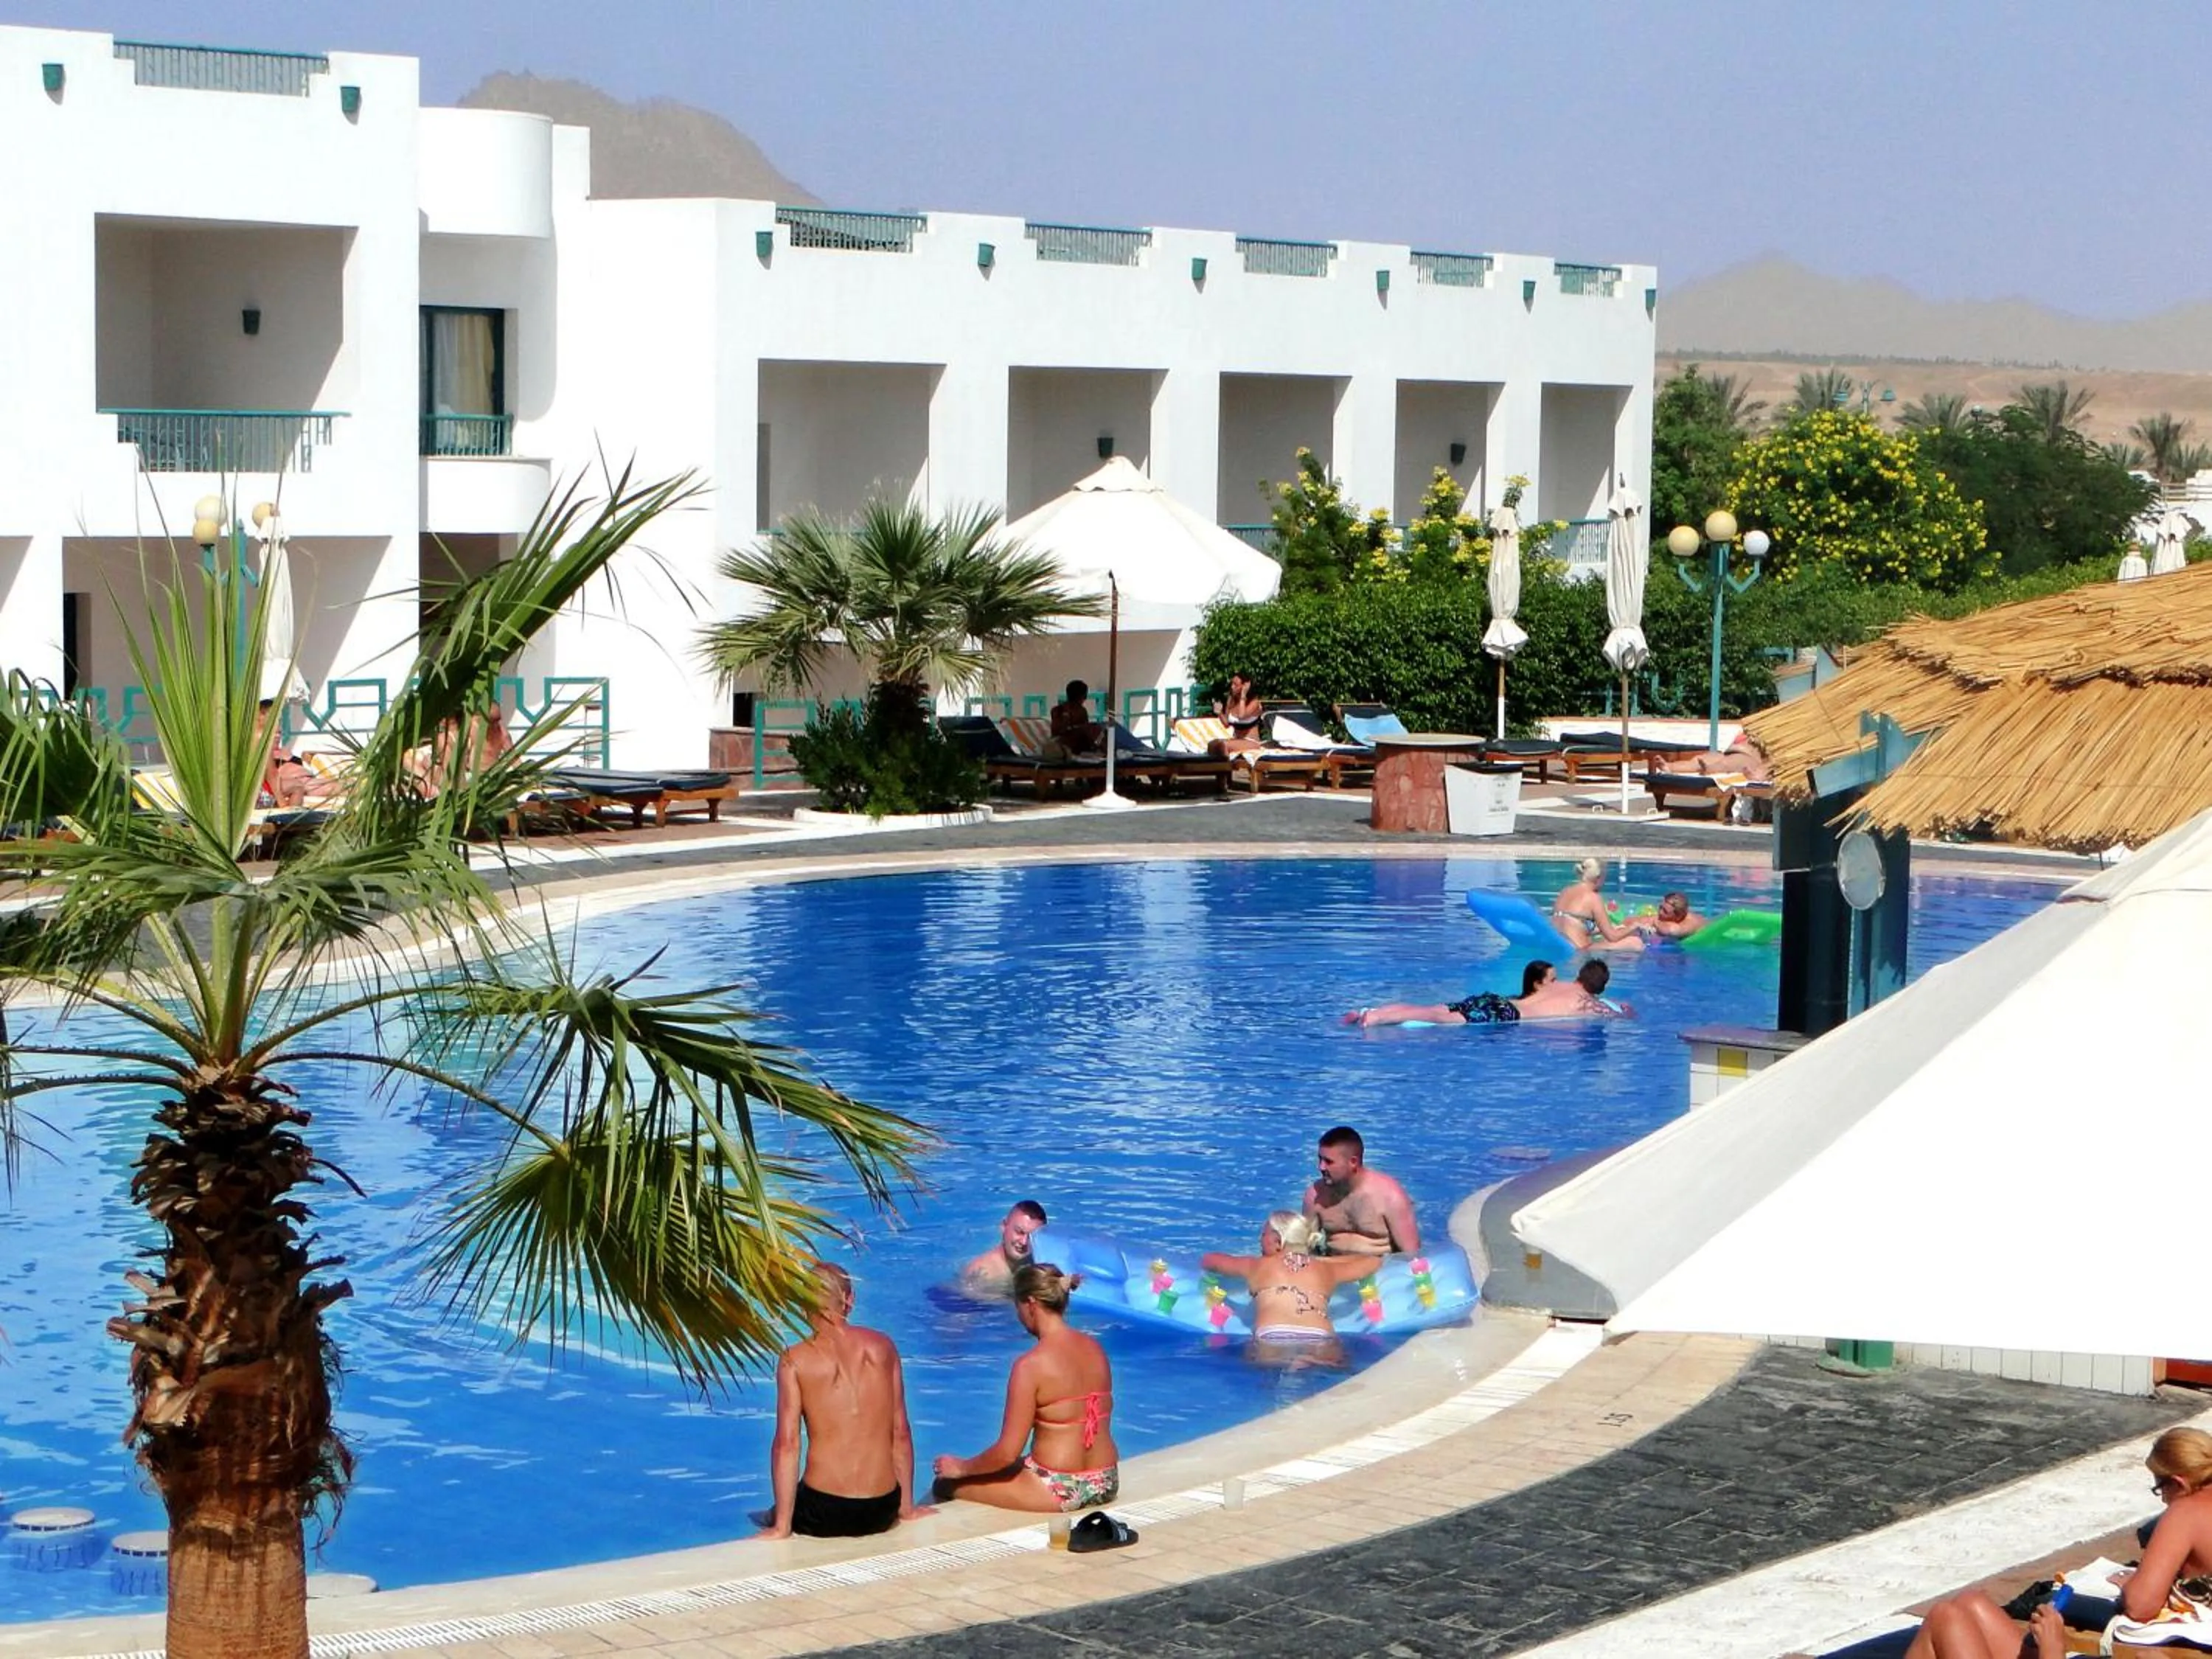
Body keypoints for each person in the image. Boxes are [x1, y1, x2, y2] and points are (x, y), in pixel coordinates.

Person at [1903, 1426, 2212, 1658]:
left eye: (2161, 1489)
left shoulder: (2187, 1510)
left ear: (2179, 1483)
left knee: (1946, 1617)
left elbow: (2141, 1606)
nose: (2163, 1501)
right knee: (1970, 1604)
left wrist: (2053, 1648)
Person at [757, 1263, 929, 1540]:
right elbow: (901, 1432)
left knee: (764, 1515)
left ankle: (776, 1521)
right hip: (883, 1508)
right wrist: (905, 1508)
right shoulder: (883, 1346)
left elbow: (788, 1445)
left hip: (825, 1510)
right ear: (850, 1300)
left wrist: (781, 1526)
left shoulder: (795, 1359)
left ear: (802, 1305)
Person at [933, 1263, 1119, 1512]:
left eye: (1017, 1306)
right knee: (1010, 1468)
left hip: (1059, 1489)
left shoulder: (1030, 1366)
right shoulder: (1096, 1350)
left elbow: (1007, 1453)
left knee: (944, 1485)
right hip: (1106, 1480)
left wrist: (960, 1468)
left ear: (1030, 1304)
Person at [1200, 1211, 1374, 1360]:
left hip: (1272, 1336)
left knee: (1260, 1374)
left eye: (1263, 1235)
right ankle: (1304, 1363)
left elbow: (1211, 1260)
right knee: (1338, 1367)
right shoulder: (1325, 1270)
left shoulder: (1257, 1266)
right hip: (1320, 1337)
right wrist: (1323, 1261)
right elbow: (1370, 1262)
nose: (1260, 1240)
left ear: (1277, 1242)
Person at [1348, 959, 1632, 1029]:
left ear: (1581, 975)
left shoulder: (1556, 983)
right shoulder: (1589, 1005)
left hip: (1498, 1000)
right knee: (1439, 1019)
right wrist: (1624, 1011)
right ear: (1601, 988)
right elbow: (1616, 1016)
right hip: (1506, 1014)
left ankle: (1372, 1011)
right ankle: (1375, 1020)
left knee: (1436, 1008)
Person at [1301, 1125, 1419, 1256]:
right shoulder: (1315, 1195)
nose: (1321, 1167)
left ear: (1353, 1162)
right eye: (1320, 1159)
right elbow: (1305, 1249)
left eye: (1329, 1162)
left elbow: (1413, 1256)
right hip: (1334, 1268)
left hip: (1381, 1270)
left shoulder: (1390, 1196)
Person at [1554, 857, 1645, 952]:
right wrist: (1634, 926)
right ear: (1599, 878)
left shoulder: (1565, 891)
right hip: (1579, 950)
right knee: (1636, 943)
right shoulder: (1593, 898)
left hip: (1558, 947)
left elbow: (1574, 925)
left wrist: (1608, 928)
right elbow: (1612, 937)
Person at [962, 1200, 1048, 1294]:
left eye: (1032, 1237)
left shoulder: (1041, 1261)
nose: (1024, 1242)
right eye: (1019, 1232)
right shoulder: (983, 1275)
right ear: (1004, 1226)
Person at [1210, 672, 1267, 757]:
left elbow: (1241, 715)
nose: (1232, 687)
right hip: (1236, 739)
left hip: (1251, 741)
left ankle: (1226, 768)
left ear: (1245, 686)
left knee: (1223, 746)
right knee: (1212, 745)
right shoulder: (1231, 700)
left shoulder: (1254, 703)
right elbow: (1227, 724)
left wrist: (1243, 695)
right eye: (1232, 684)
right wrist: (1220, 713)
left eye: (1236, 685)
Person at [1047, 680, 1107, 759]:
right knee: (1093, 731)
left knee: (1101, 731)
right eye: (1084, 695)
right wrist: (1066, 715)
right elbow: (1058, 730)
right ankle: (1102, 750)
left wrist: (1084, 728)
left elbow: (1086, 729)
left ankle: (1101, 750)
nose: (1085, 698)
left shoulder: (1082, 711)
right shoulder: (1058, 710)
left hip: (1079, 742)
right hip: (1063, 741)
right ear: (1081, 696)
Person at [1641, 892, 1708, 940]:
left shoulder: (1689, 923)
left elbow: (1670, 930)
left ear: (1678, 917)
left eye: (1665, 912)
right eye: (1660, 907)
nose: (1660, 913)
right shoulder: (1681, 915)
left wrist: (1655, 921)